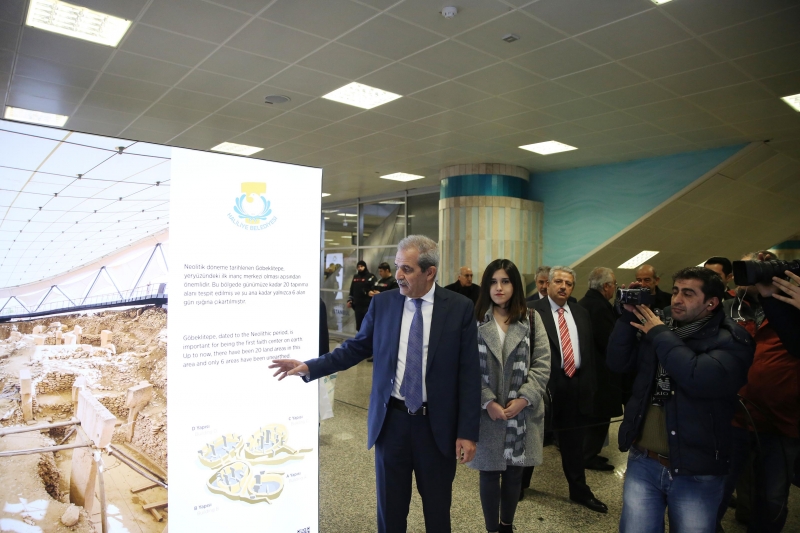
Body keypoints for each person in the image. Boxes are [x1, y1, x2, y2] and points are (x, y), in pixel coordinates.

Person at [270, 235, 480, 533]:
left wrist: (467, 432)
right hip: (391, 424)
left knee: (437, 510)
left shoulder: (459, 308)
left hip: (436, 428)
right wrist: (309, 366)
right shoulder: (383, 304)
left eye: (406, 269)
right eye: (397, 267)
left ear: (430, 272)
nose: (398, 275)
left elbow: (470, 373)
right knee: (390, 511)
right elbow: (355, 348)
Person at [607, 267, 754, 533]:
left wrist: (661, 334)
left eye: (688, 294)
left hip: (696, 467)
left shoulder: (733, 339)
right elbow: (617, 363)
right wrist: (625, 320)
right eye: (675, 291)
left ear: (711, 303)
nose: (676, 299)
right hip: (644, 460)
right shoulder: (660, 327)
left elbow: (697, 377)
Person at [716, 254, 800, 533]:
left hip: (783, 423)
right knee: (720, 486)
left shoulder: (791, 313)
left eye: (756, 267)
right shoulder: (731, 309)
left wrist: (772, 294)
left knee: (773, 497)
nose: (749, 273)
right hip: (736, 417)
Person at [467, 259, 550, 533]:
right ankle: (492, 528)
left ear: (515, 285)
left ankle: (506, 526)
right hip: (487, 413)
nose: (499, 288)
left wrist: (525, 398)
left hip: (522, 414)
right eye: (493, 281)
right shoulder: (474, 319)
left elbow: (542, 363)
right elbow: (464, 366)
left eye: (505, 281)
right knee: (489, 473)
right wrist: (487, 400)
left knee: (515, 471)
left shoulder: (532, 319)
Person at [528, 266, 608, 513]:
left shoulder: (581, 312)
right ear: (549, 284)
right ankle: (518, 485)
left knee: (573, 445)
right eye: (559, 282)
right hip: (545, 388)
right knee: (533, 439)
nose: (564, 287)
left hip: (575, 387)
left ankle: (579, 491)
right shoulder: (533, 312)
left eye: (569, 283)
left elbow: (589, 353)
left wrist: (590, 387)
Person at [577, 267, 621, 472]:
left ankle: (589, 453)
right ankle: (588, 456)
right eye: (613, 285)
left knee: (591, 417)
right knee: (598, 417)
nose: (614, 289)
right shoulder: (600, 308)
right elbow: (609, 342)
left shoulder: (583, 303)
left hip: (588, 371)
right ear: (605, 286)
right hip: (600, 373)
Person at [347, 260, 375, 331]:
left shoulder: (371, 276)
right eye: (358, 267)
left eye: (361, 266)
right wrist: (350, 300)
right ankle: (359, 339)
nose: (360, 268)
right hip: (358, 305)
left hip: (367, 305)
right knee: (359, 324)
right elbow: (352, 289)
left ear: (365, 267)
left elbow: (375, 288)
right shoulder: (356, 277)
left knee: (367, 324)